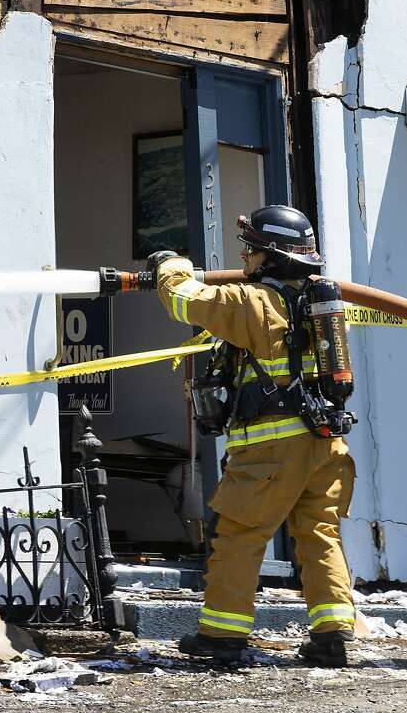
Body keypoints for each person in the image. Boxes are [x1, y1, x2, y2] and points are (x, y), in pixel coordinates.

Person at [148, 205, 357, 668]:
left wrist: (169, 264)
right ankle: (333, 636)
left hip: (271, 450)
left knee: (240, 534)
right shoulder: (316, 304)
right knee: (319, 533)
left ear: (272, 257)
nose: (243, 259)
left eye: (251, 251)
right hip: (327, 445)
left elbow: (183, 300)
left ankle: (222, 637)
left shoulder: (253, 303)